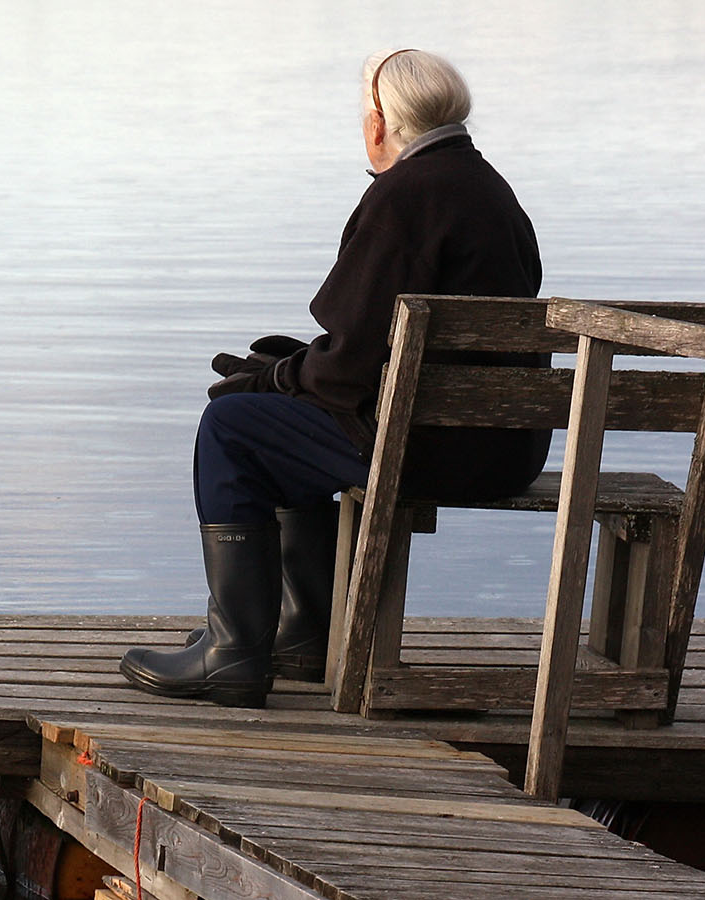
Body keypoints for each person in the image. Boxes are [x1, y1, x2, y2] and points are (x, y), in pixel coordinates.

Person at [118, 49, 552, 708]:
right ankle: (301, 635)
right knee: (276, 414)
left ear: (380, 123)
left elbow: (347, 365)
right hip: (506, 446)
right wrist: (286, 373)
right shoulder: (492, 192)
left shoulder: (403, 195)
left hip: (433, 448)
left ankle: (233, 653)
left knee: (233, 429)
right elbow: (380, 348)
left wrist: (271, 381)